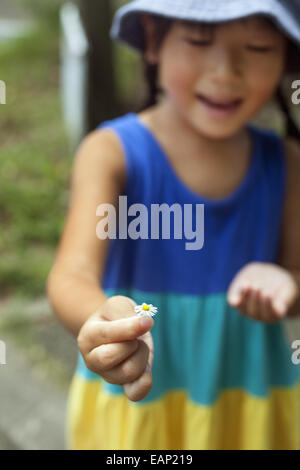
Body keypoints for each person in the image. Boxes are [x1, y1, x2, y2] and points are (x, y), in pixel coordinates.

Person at [46, 0, 300, 450]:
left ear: (286, 55)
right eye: (200, 40)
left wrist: (285, 284)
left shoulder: (288, 164)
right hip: (136, 410)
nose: (226, 71)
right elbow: (72, 273)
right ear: (151, 39)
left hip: (250, 404)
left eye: (258, 47)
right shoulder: (111, 153)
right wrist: (100, 319)